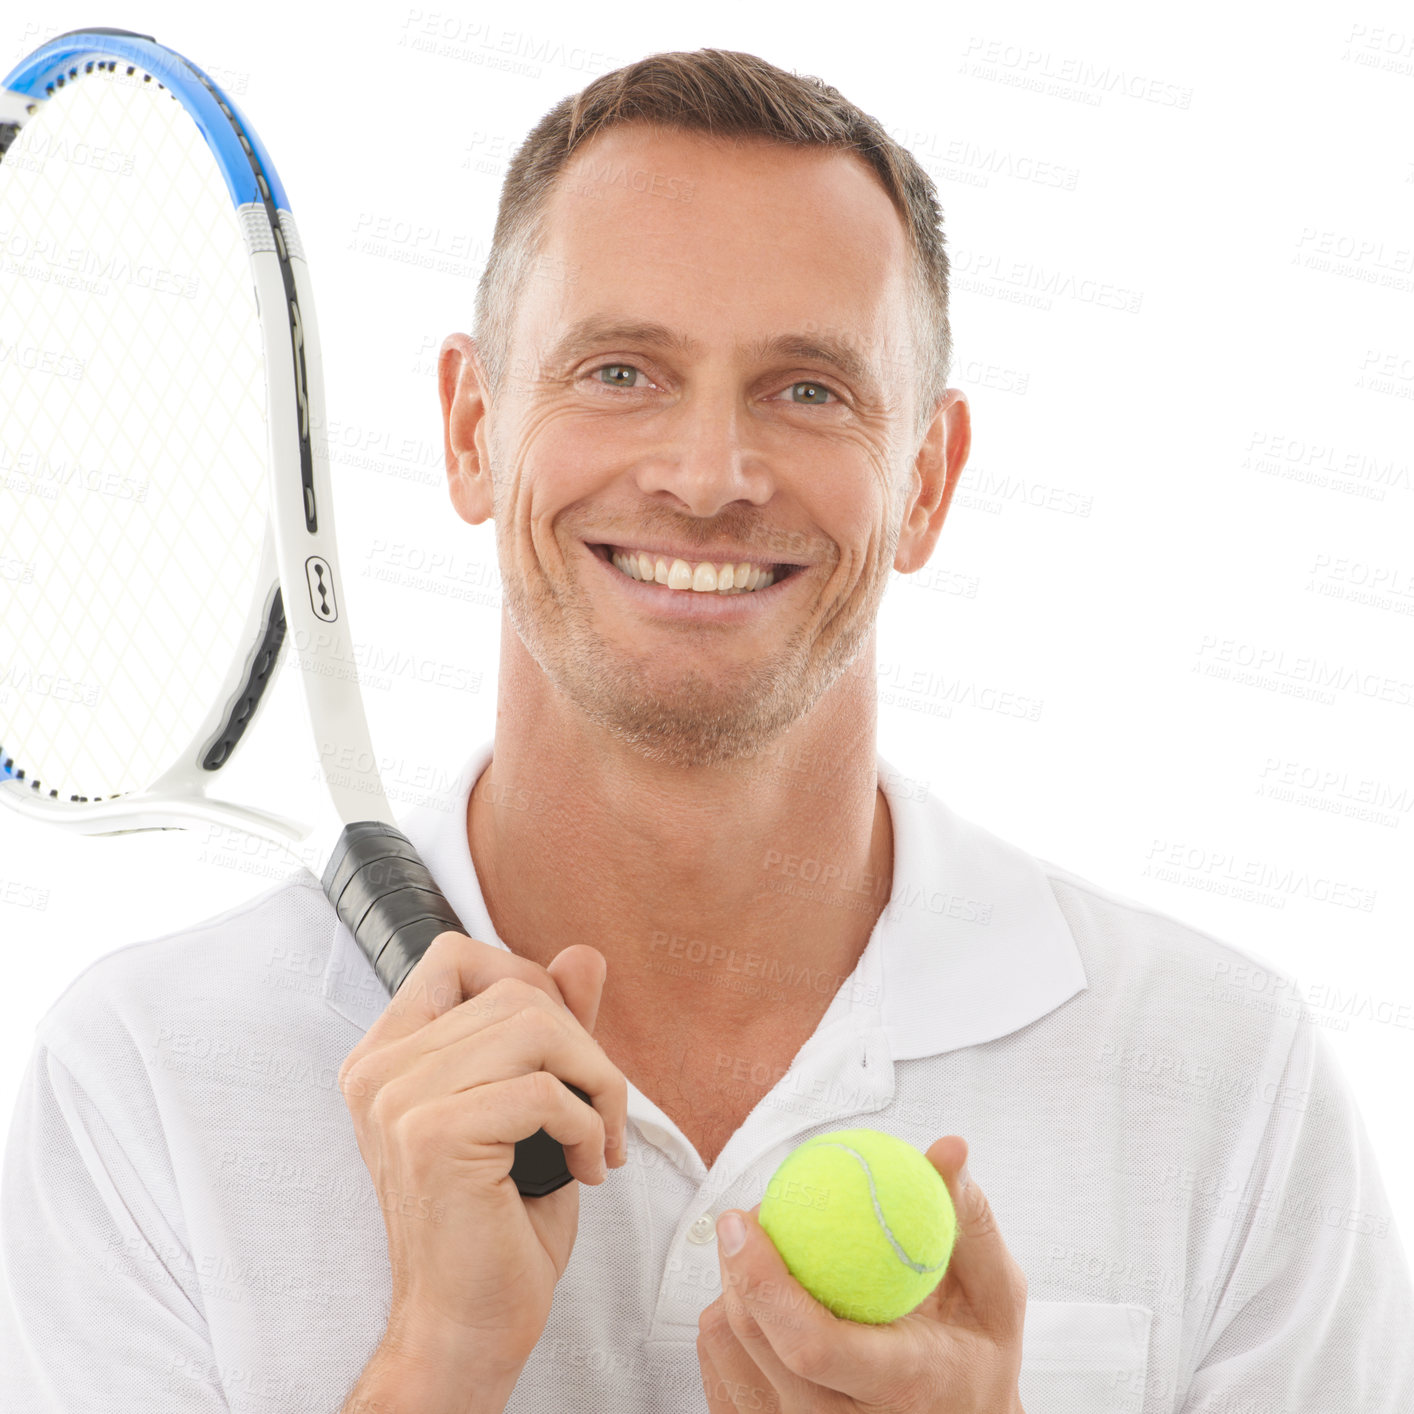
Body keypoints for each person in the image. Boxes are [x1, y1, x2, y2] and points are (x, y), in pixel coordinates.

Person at [2, 47, 1410, 1414]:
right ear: (469, 428)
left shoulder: (1229, 1084)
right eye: (619, 370)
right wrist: (433, 1365)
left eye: (808, 389)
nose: (706, 475)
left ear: (926, 480)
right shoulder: (142, 1082)